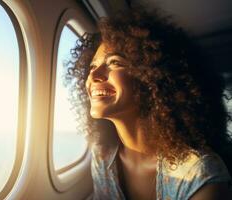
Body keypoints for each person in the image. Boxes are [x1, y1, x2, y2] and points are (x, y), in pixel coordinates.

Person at [65, 4, 232, 200]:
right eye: (92, 66)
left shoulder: (199, 172)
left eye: (115, 62)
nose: (94, 75)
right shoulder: (102, 157)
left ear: (152, 77)